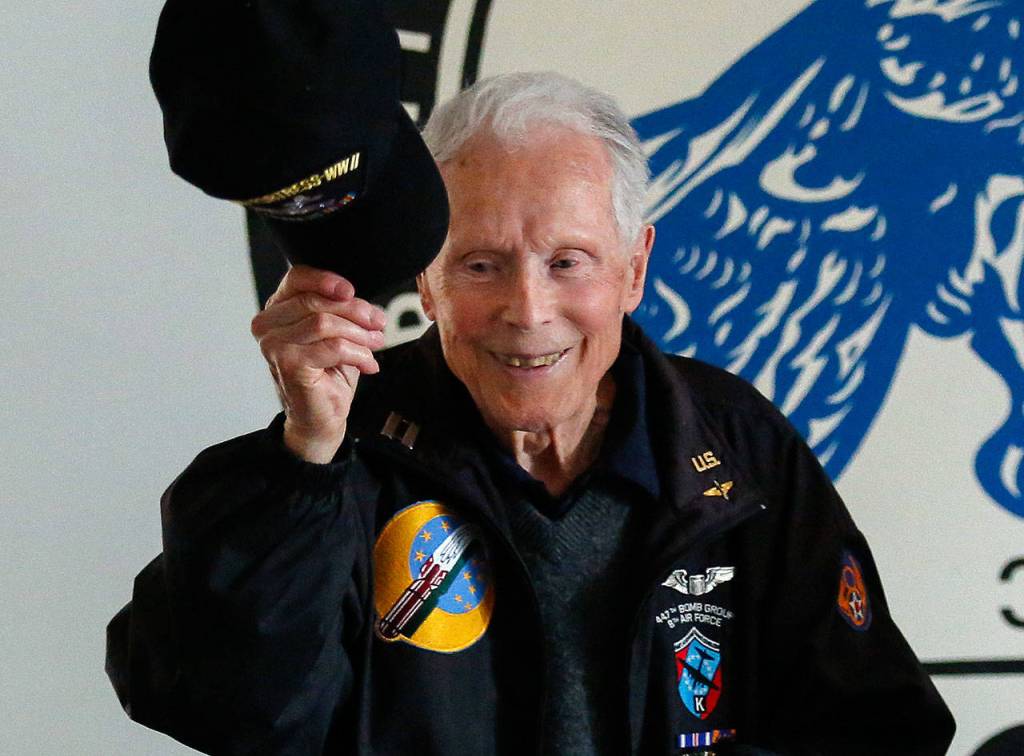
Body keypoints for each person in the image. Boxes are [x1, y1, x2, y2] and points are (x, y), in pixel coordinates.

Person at [107, 72, 955, 755]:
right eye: (479, 264)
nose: (528, 308)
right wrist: (305, 460)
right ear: (425, 279)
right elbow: (238, 717)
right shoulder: (339, 448)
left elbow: (877, 726)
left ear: (634, 269)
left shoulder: (734, 442)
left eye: (568, 262)